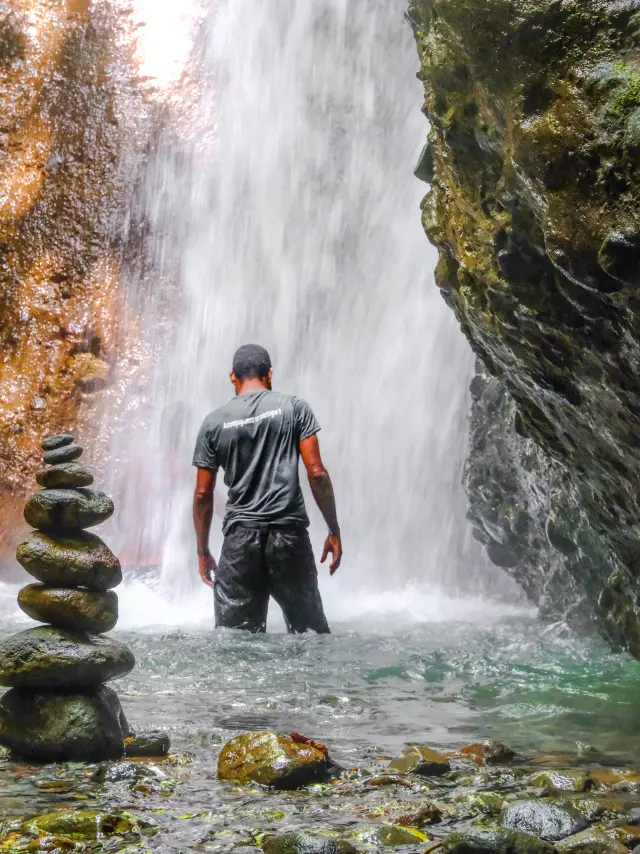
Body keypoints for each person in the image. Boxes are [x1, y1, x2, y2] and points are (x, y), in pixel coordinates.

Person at [192, 344, 342, 633]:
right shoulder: (295, 408)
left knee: (235, 642)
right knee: (309, 636)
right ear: (269, 374)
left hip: (240, 541)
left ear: (232, 376)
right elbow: (317, 474)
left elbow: (202, 495)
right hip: (289, 536)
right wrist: (333, 530)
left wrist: (203, 550)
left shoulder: (213, 423)